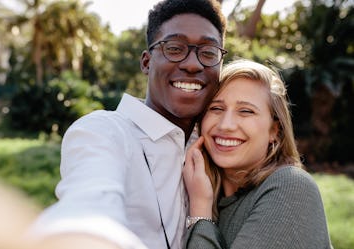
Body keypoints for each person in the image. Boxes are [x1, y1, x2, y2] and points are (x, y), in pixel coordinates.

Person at [30, 0, 227, 249]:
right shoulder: (103, 131)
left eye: (208, 52)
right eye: (175, 49)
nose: (192, 63)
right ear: (146, 62)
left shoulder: (216, 144)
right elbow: (89, 203)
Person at [183, 59, 332, 249]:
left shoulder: (291, 186)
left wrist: (200, 213)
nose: (225, 125)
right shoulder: (204, 191)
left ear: (274, 131)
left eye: (246, 111)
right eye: (216, 108)